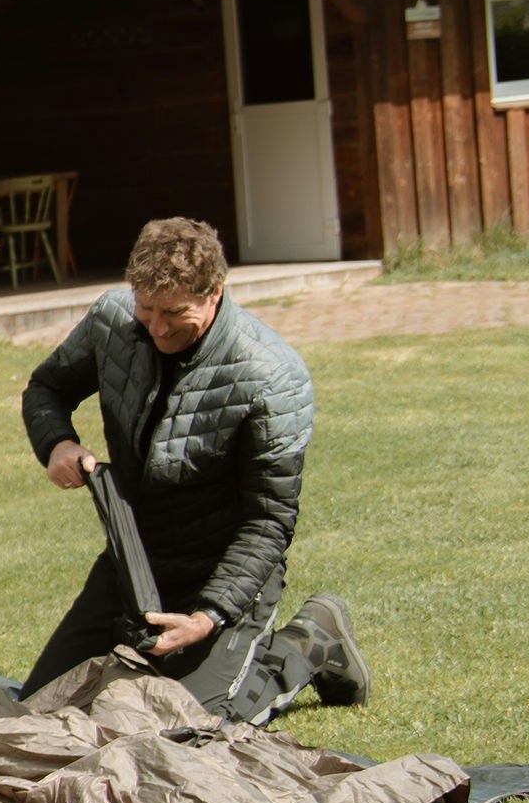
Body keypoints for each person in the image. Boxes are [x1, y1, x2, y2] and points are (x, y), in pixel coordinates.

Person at [19, 216, 367, 723]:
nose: (157, 327)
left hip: (225, 570)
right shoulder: (112, 320)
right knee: (35, 712)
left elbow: (268, 522)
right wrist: (57, 444)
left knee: (198, 730)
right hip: (136, 560)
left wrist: (209, 616)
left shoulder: (271, 377)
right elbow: (46, 388)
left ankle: (311, 641)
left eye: (175, 312)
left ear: (215, 293)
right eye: (147, 309)